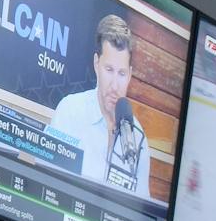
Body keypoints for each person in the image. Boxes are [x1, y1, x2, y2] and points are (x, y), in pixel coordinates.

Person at [46, 14, 152, 198]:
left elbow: (140, 210)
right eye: (109, 70)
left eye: (121, 73)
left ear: (130, 76)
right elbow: (46, 183)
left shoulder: (138, 139)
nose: (114, 85)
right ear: (97, 64)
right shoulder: (70, 111)